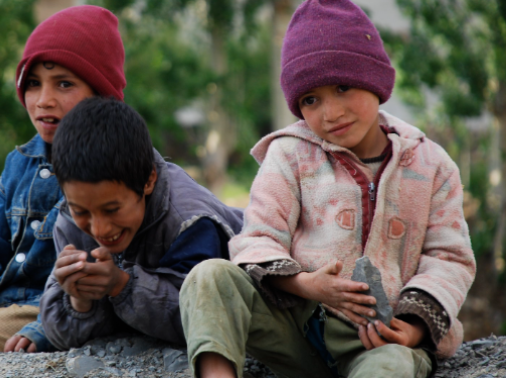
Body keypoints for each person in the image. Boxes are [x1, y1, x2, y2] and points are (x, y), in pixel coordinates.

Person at [179, 1, 476, 377]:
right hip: (298, 326)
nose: (330, 112)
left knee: (394, 365)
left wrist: (414, 325)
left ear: (375, 80)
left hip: (378, 339)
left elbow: (449, 257)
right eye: (311, 100)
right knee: (209, 276)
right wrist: (305, 285)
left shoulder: (430, 166)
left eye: (342, 87)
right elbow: (257, 237)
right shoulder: (289, 156)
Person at [0, 5, 126, 361]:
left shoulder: (117, 165)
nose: (43, 100)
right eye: (33, 84)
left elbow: (120, 267)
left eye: (64, 84)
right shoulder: (20, 163)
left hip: (66, 309)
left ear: (102, 94)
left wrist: (43, 328)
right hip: (5, 308)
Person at [39, 97, 244, 350]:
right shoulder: (71, 220)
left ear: (148, 181)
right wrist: (79, 300)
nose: (99, 229)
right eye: (82, 211)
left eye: (112, 209)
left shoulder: (188, 223)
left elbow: (207, 320)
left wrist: (122, 286)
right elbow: (61, 337)